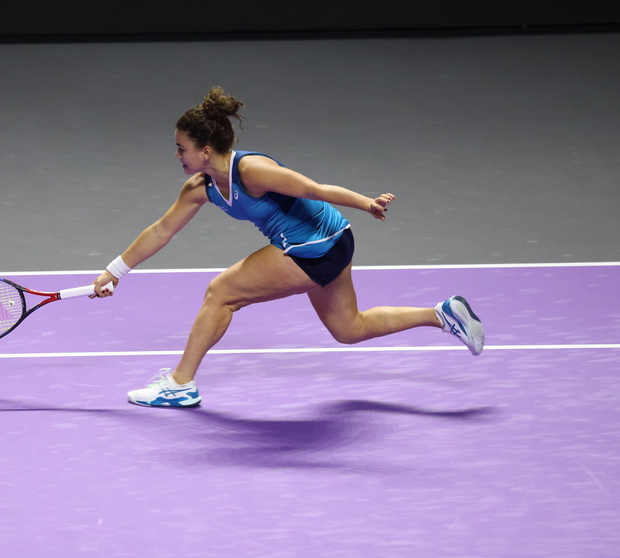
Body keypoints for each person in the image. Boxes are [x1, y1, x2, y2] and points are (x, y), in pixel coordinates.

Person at [92, 87, 484, 408]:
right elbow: (162, 230)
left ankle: (180, 383)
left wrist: (367, 202)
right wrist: (116, 270)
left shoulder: (251, 171)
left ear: (206, 150)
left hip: (314, 245)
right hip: (333, 242)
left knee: (221, 293)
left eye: (181, 148)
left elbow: (314, 189)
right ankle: (442, 315)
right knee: (349, 329)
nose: (177, 155)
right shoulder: (201, 188)